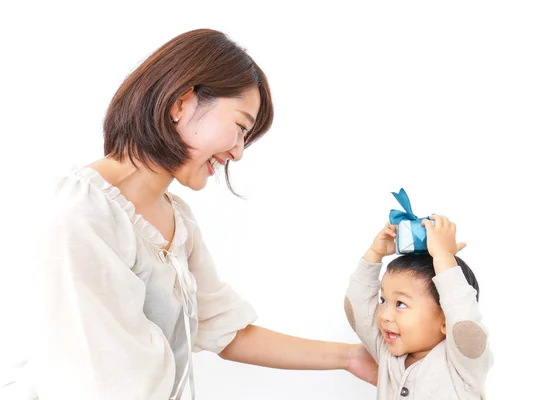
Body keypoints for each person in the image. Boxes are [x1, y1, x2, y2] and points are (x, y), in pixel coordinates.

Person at [1, 29, 377, 399]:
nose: (238, 152)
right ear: (181, 103)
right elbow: (98, 377)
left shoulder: (177, 220)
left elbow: (224, 329)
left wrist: (350, 358)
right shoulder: (81, 212)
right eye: (240, 127)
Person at [344, 216, 493, 399]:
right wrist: (375, 253)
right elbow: (357, 308)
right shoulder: (387, 352)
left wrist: (443, 256)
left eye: (400, 304)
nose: (385, 316)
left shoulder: (463, 362)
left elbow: (464, 320)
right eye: (383, 301)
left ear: (446, 320)